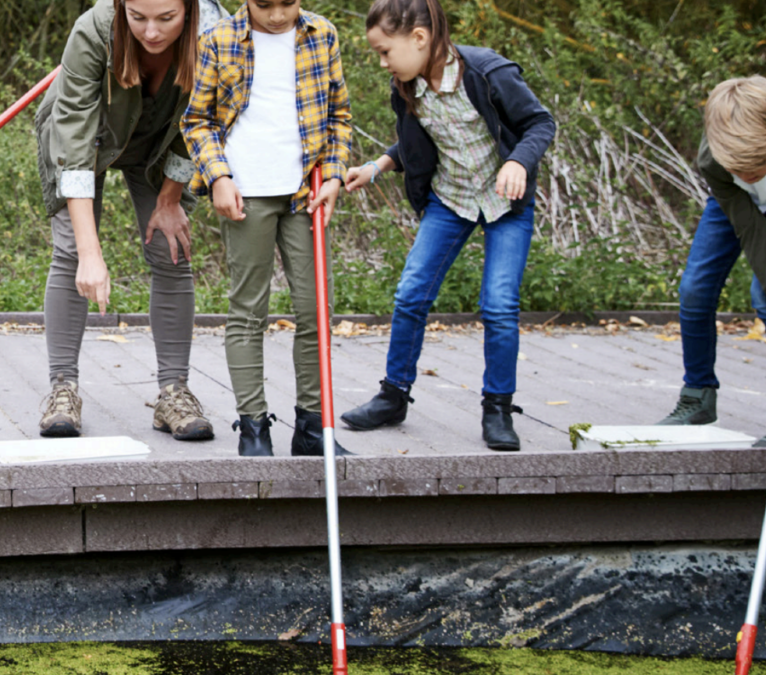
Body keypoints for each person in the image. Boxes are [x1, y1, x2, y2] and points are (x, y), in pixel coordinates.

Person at [339, 0, 554, 452]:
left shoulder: (486, 72)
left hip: (506, 202)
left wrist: (518, 161)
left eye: (384, 51)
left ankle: (497, 408)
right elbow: (418, 140)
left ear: (418, 38)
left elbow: (539, 123)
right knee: (411, 292)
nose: (382, 63)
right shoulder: (407, 87)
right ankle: (393, 396)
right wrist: (376, 167)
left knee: (498, 305)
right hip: (450, 199)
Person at [35, 0, 226, 441]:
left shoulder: (217, 35)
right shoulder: (92, 32)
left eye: (166, 18)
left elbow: (203, 121)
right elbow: (74, 143)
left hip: (162, 143)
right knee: (70, 254)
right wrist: (89, 250)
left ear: (191, 8)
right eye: (138, 18)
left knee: (170, 249)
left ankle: (174, 393)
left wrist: (170, 197)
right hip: (85, 140)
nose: (152, 32)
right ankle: (62, 389)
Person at [180, 0, 352, 457]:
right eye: (265, 5)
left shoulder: (322, 35)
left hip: (306, 191)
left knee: (315, 309)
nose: (277, 15)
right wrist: (218, 176)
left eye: (287, 3)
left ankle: (313, 429)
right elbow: (198, 121)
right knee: (248, 309)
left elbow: (339, 116)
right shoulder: (217, 40)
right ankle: (253, 428)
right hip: (246, 192)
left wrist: (334, 175)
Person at [657, 77, 766, 447]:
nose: (747, 177)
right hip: (735, 202)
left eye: (755, 169)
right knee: (695, 289)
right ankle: (698, 396)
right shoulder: (716, 155)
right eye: (738, 169)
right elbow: (751, 230)